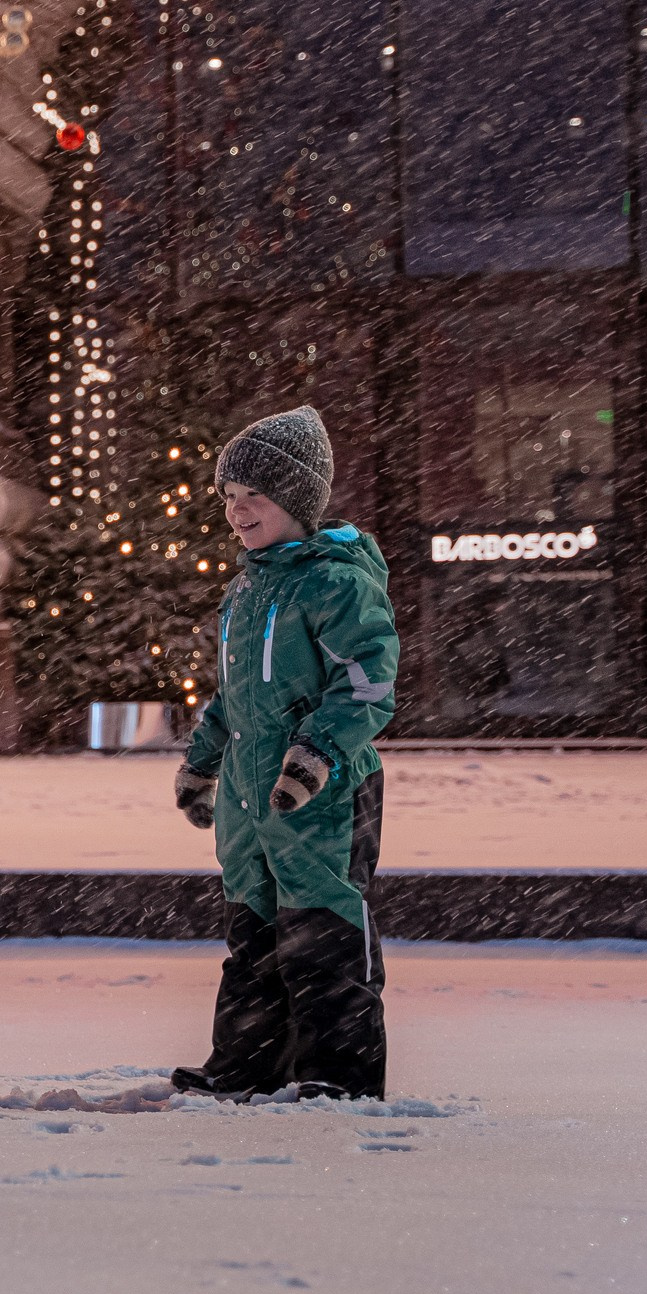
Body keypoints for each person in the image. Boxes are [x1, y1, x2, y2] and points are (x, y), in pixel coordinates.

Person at [170, 405, 399, 1101]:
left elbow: (367, 682)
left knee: (323, 932)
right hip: (250, 793)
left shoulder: (336, 582)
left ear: (296, 501)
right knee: (254, 934)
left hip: (322, 793)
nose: (238, 513)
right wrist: (202, 761)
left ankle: (337, 1075)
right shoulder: (243, 591)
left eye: (255, 498)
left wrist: (315, 754)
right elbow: (230, 698)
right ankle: (245, 1066)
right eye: (230, 499)